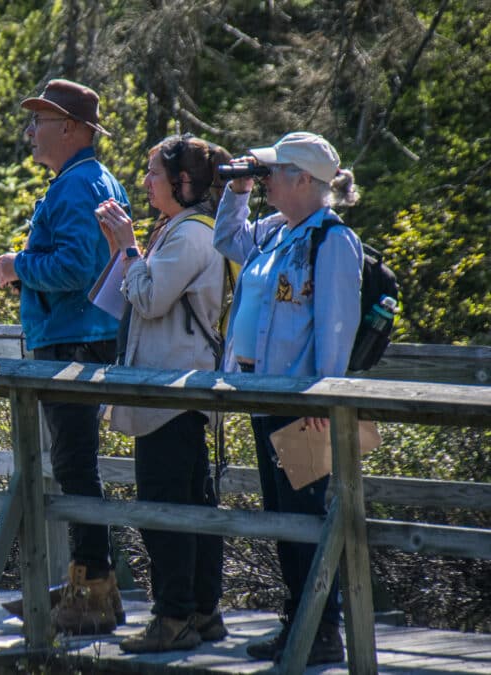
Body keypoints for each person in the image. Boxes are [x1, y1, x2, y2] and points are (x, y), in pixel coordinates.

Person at [212, 131, 362, 665]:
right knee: (282, 517)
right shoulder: (277, 231)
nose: (266, 179)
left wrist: (324, 401)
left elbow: (336, 328)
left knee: (305, 519)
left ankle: (322, 630)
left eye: (274, 171)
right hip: (263, 397)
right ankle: (298, 622)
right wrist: (237, 189)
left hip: (304, 407)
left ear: (302, 180)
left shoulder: (332, 241)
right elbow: (226, 239)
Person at [0, 78, 129, 635]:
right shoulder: (89, 179)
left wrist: (18, 266)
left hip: (73, 341)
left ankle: (91, 588)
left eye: (39, 121)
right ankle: (93, 585)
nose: (30, 132)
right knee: (77, 466)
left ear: (70, 128)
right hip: (80, 337)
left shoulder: (76, 185)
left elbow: (75, 268)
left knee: (75, 467)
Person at [94, 134, 230, 653]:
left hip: (171, 394)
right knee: (191, 505)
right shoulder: (179, 230)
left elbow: (149, 300)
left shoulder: (189, 235)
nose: (146, 181)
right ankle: (202, 612)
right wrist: (125, 249)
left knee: (165, 509)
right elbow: (137, 295)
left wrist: (129, 247)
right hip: (173, 392)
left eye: (154, 172)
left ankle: (173, 618)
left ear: (183, 181)